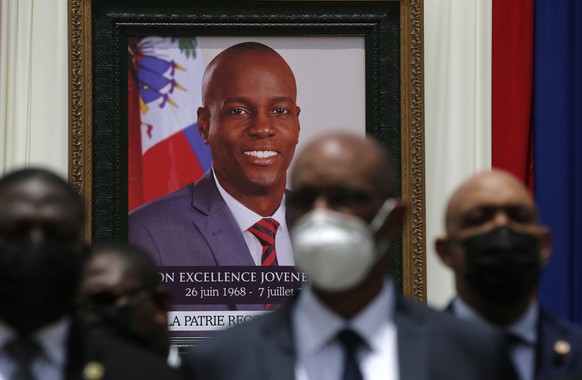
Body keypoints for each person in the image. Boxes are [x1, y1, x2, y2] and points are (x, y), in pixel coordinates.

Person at [183, 132, 517, 380]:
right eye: (305, 200)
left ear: (392, 220)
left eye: (343, 199)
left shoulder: (469, 354)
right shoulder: (221, 363)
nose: (320, 216)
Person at [128, 41, 301, 276]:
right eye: (239, 111)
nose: (262, 128)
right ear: (204, 125)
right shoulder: (146, 233)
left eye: (280, 111)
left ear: (297, 122)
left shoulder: (327, 227)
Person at [0, 168, 182, 380]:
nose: (36, 249)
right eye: (15, 233)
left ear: (83, 255)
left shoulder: (144, 374)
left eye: (56, 234)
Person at [435, 170, 582, 380]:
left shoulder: (577, 355)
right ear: (446, 252)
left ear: (544, 246)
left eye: (519, 217)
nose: (502, 227)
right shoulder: (404, 359)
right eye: (479, 219)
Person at [77, 241, 181, 367]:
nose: (90, 316)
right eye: (79, 306)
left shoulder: (199, 372)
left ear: (161, 304)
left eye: (106, 299)